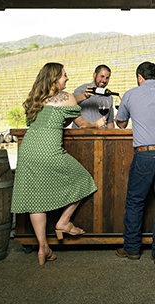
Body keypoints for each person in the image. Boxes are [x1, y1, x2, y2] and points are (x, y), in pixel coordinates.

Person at [11, 62, 105, 266]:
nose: (67, 78)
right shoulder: (67, 97)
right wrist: (96, 124)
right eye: (64, 75)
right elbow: (82, 123)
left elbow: (58, 104)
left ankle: (43, 247)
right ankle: (63, 221)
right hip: (49, 151)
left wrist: (83, 96)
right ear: (55, 79)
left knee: (36, 199)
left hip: (27, 152)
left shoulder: (34, 100)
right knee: (84, 180)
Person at [114, 62, 155, 264]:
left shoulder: (130, 94)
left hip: (144, 154)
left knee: (135, 201)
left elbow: (121, 122)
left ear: (139, 77)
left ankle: (132, 249)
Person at [72, 64, 115, 128]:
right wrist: (84, 96)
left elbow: (110, 122)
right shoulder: (82, 89)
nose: (104, 80)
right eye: (102, 76)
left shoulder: (109, 97)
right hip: (81, 135)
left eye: (107, 78)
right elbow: (69, 102)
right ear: (94, 75)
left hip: (101, 136)